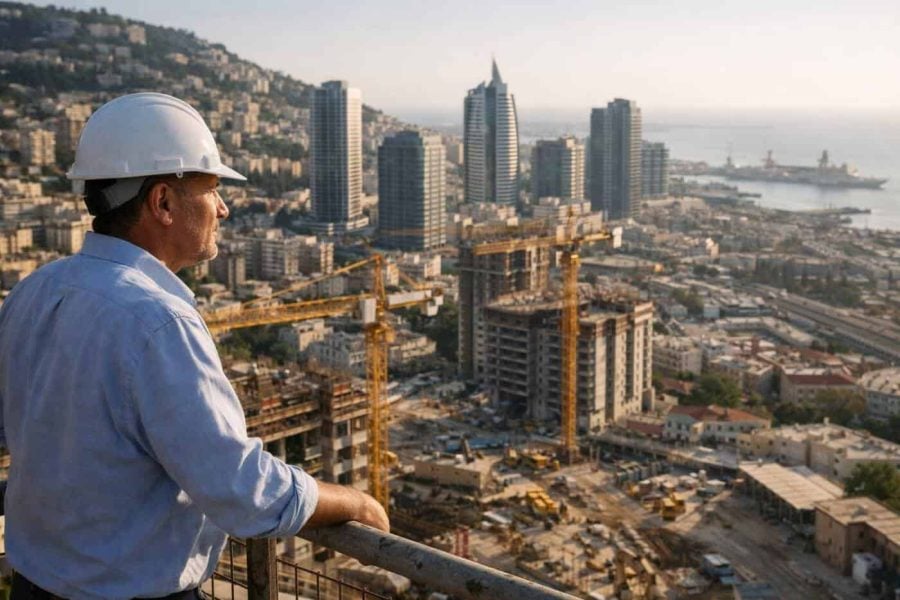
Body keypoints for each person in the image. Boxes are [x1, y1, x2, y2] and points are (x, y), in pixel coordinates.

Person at [0, 93, 388, 600]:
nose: (223, 208)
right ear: (162, 203)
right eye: (212, 189)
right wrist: (353, 503)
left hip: (34, 584)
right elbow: (240, 488)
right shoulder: (159, 321)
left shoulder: (37, 288)